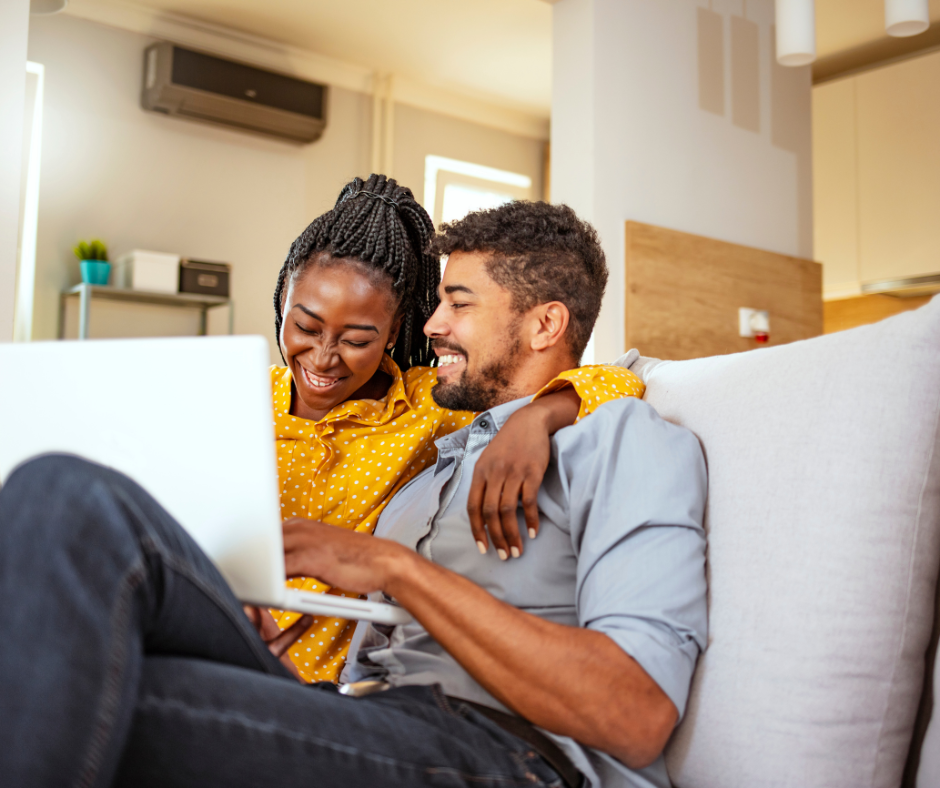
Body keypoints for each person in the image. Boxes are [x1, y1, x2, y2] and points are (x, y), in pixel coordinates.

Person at [0, 201, 706, 788]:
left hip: (507, 753)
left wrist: (393, 567)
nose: (432, 328)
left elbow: (636, 719)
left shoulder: (620, 440)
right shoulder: (443, 463)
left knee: (91, 690)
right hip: (359, 707)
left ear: (546, 324)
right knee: (63, 492)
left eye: (457, 304)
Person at [262, 174, 644, 681]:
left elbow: (623, 378)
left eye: (356, 339)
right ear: (283, 300)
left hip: (318, 683)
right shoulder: (236, 398)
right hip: (215, 640)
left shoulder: (430, 404)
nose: (324, 358)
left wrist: (541, 414)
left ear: (393, 331)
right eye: (306, 328)